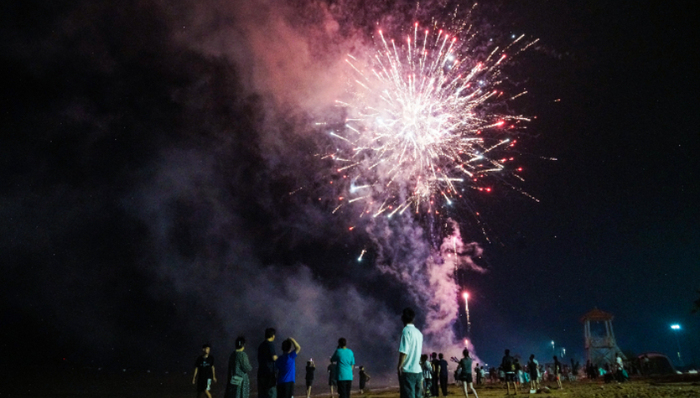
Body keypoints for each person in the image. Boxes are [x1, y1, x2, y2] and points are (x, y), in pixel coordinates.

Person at [397, 308, 424, 398]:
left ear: (403, 318)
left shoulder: (405, 331)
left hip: (408, 371)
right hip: (418, 371)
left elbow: (404, 351)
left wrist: (399, 366)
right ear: (413, 319)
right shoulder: (419, 333)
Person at [258, 328, 278, 398]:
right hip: (269, 374)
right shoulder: (270, 344)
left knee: (262, 394)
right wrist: (279, 359)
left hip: (261, 373)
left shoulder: (261, 345)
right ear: (272, 336)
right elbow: (273, 357)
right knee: (271, 393)